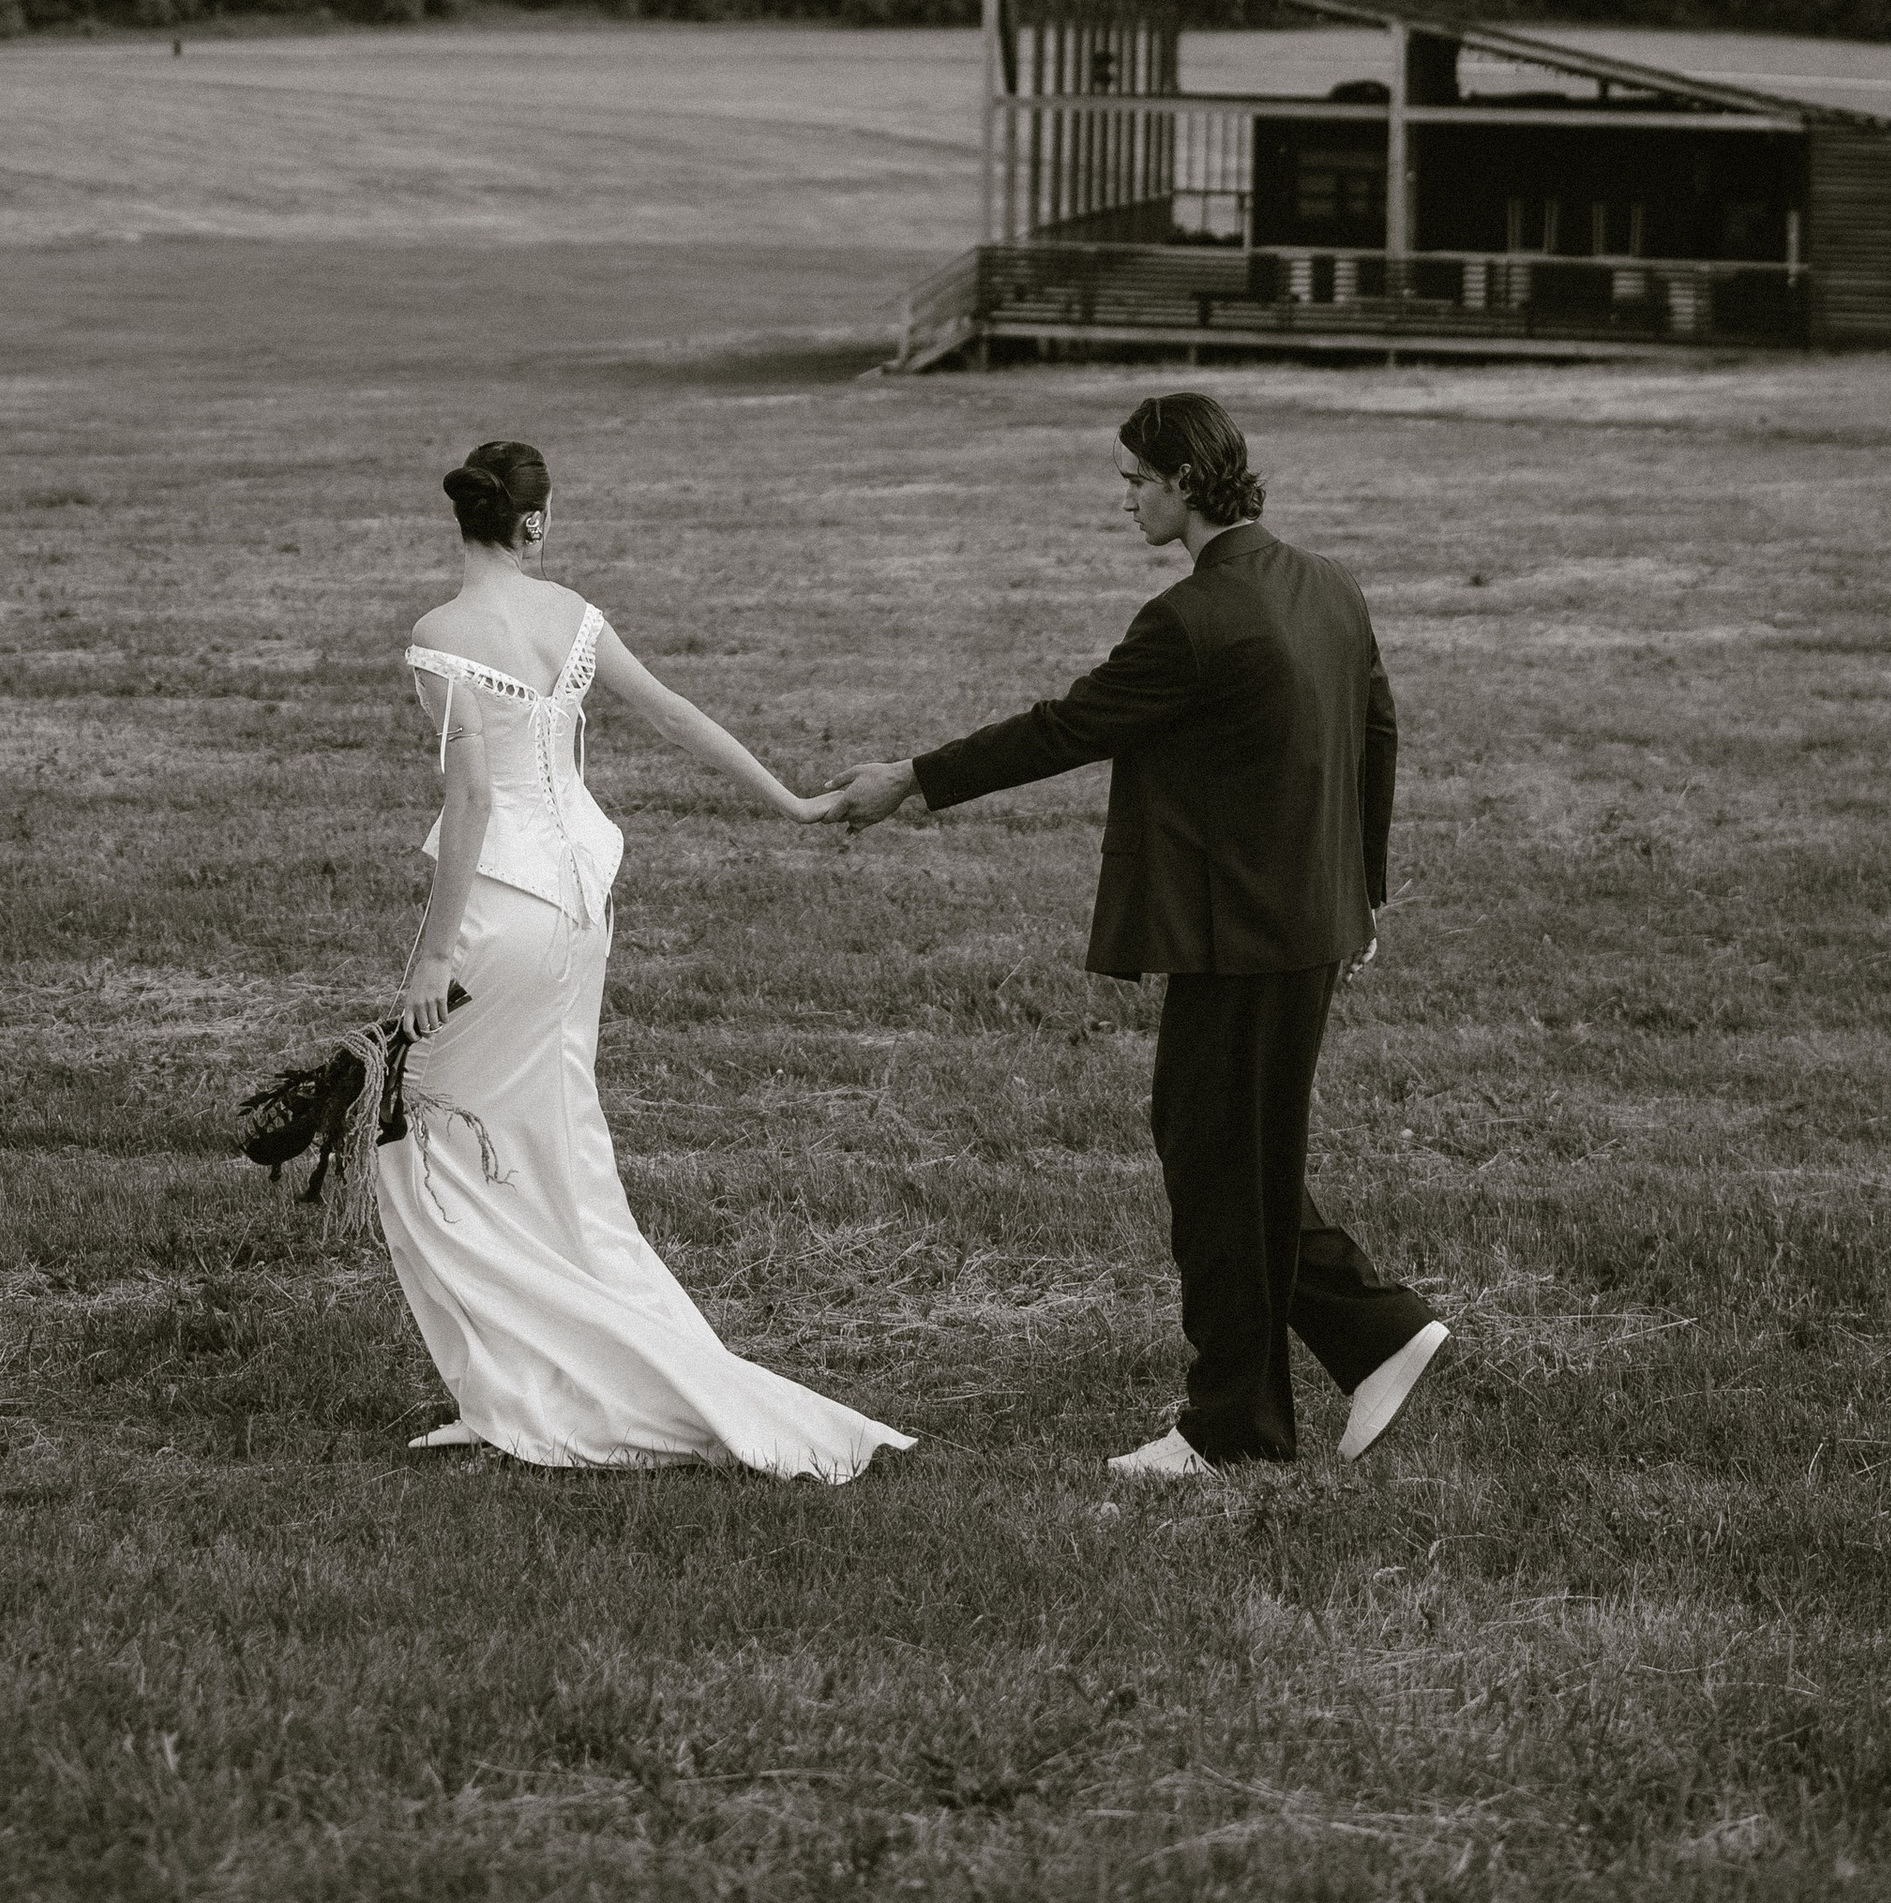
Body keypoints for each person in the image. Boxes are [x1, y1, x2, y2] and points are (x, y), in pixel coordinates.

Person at [827, 391, 1444, 1480]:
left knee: (1215, 1163)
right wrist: (1366, 895)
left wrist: (912, 778)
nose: (1123, 501)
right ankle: (1370, 1337)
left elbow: (1066, 728)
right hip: (1308, 925)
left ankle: (1239, 1422)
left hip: (1241, 937)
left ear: (1185, 483)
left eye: (1134, 481)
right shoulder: (1329, 584)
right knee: (1237, 1153)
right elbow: (1379, 732)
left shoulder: (1189, 620)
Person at [379, 437, 911, 1483]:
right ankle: (553, 1377)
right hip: (583, 908)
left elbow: (474, 798)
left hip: (504, 911)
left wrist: (431, 957)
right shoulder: (572, 614)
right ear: (534, 521)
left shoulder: (439, 635)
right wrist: (794, 803)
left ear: (469, 518)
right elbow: (674, 713)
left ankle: (533, 1389)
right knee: (555, 1141)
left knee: (417, 1138)